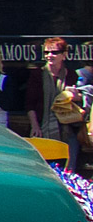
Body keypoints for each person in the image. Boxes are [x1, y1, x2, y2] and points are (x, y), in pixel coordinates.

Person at [28, 38, 81, 166]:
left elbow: (81, 100)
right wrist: (35, 126)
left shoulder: (72, 75)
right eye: (46, 52)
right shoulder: (38, 75)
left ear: (64, 55)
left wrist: (75, 96)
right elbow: (30, 104)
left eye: (54, 52)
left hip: (67, 129)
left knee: (68, 169)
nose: (49, 56)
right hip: (42, 128)